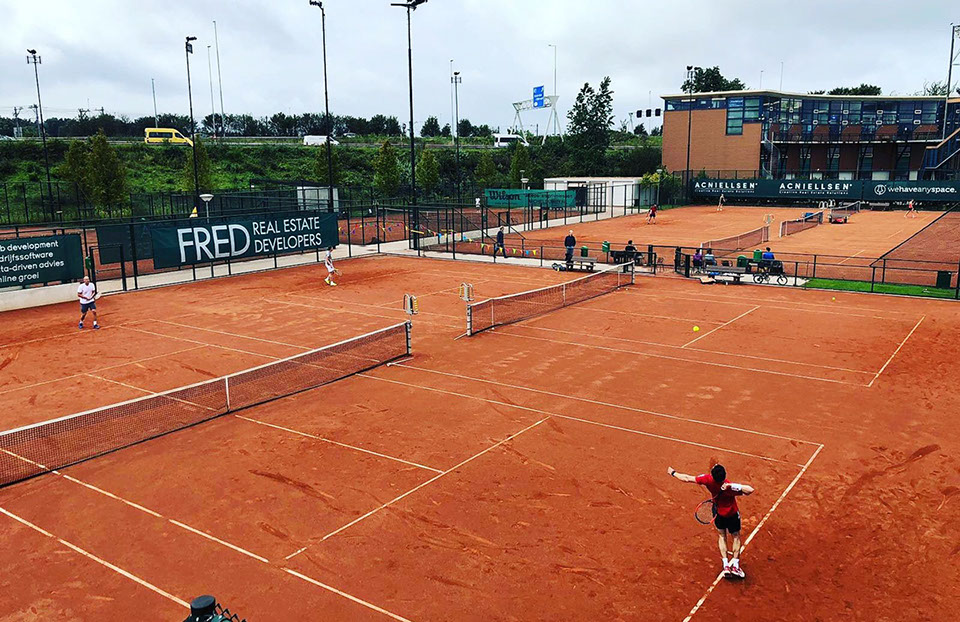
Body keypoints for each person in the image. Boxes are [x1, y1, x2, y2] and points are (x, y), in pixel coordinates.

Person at [667, 464, 755, 578]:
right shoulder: (729, 486)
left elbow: (687, 478)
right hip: (732, 514)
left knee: (722, 536)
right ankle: (735, 567)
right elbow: (750, 490)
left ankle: (726, 565)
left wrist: (673, 473)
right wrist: (731, 485)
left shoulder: (708, 480)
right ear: (724, 476)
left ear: (713, 476)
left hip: (718, 514)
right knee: (736, 537)